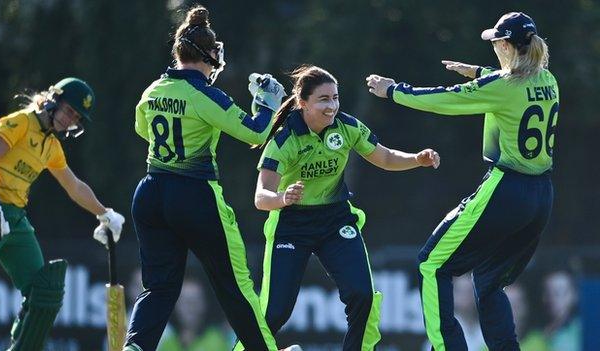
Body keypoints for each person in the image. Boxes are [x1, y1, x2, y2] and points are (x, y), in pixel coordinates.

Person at [366, 11, 557, 351]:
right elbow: (514, 86)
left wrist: (393, 90)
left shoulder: (502, 85)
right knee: (488, 281)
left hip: (507, 189)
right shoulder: (548, 80)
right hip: (542, 196)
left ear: (506, 45)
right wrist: (479, 73)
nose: (494, 48)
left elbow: (446, 99)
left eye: (496, 43)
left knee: (431, 263)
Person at [126, 5, 299, 351]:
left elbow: (142, 130)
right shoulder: (204, 94)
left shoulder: (153, 90)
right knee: (234, 285)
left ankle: (134, 348)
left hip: (150, 192)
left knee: (158, 288)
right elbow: (255, 132)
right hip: (194, 196)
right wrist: (266, 103)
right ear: (209, 55)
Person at [234, 65, 440, 351]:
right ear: (303, 102)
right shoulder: (285, 139)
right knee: (275, 312)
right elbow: (261, 196)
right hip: (292, 224)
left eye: (335, 97)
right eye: (323, 99)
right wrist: (282, 198)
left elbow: (385, 157)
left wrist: (417, 158)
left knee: (362, 294)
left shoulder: (347, 126)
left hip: (335, 220)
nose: (331, 106)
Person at [0, 77, 125, 350]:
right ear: (53, 99)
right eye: (70, 111)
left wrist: (105, 214)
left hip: (15, 218)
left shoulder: (51, 147)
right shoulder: (20, 122)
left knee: (45, 291)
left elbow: (75, 186)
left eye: (77, 117)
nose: (71, 120)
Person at [542, 270, 582, 351]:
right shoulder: (538, 333)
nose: (552, 299)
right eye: (548, 293)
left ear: (574, 296)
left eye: (559, 293)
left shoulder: (582, 330)